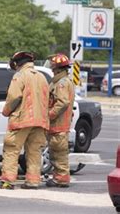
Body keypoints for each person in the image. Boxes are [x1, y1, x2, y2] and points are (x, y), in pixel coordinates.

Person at [0, 51, 49, 190]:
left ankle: (8, 181)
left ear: (18, 63)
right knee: (34, 152)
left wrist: (6, 111)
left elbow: (14, 97)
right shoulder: (42, 77)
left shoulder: (20, 76)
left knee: (11, 149)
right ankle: (33, 181)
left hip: (22, 120)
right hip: (40, 121)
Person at [46, 53, 75, 188]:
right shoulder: (60, 81)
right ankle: (58, 177)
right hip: (58, 125)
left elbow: (62, 102)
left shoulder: (62, 83)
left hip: (59, 125)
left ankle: (61, 179)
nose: (51, 69)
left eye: (53, 67)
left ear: (57, 69)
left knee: (59, 153)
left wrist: (49, 115)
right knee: (55, 152)